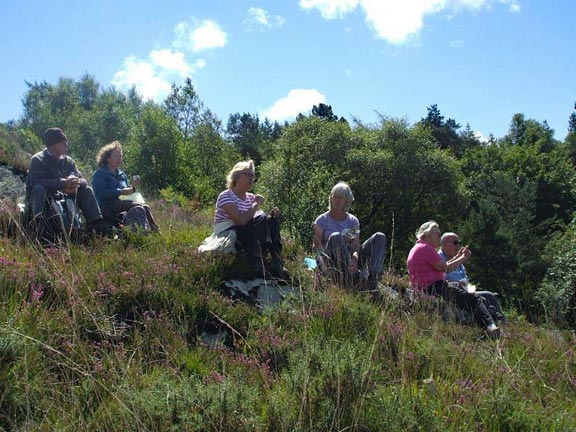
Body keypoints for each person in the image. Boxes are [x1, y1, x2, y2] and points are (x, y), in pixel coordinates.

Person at [406, 221, 499, 335]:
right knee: (473, 298)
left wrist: (459, 257)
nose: (440, 237)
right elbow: (444, 268)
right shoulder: (426, 248)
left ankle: (491, 323)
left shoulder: (420, 247)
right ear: (428, 234)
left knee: (475, 295)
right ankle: (490, 326)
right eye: (438, 234)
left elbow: (443, 265)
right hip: (434, 287)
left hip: (429, 287)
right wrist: (463, 258)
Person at [26, 127, 105, 237]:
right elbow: (36, 181)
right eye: (63, 142)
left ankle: (96, 227)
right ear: (53, 145)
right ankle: (39, 225)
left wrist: (75, 181)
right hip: (45, 198)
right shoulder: (38, 159)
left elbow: (83, 180)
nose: (66, 144)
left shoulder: (68, 161)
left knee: (86, 190)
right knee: (39, 188)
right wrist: (63, 183)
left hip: (66, 195)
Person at [213, 159, 286, 278]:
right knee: (263, 217)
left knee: (271, 220)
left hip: (247, 234)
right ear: (237, 176)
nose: (252, 179)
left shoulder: (251, 197)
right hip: (231, 234)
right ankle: (256, 260)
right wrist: (256, 205)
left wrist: (271, 216)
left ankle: (277, 261)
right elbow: (240, 220)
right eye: (248, 175)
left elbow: (259, 220)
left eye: (253, 176)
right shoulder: (225, 196)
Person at [313, 182, 387, 291]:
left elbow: (355, 246)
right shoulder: (322, 220)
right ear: (331, 198)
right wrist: (324, 267)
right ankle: (348, 278)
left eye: (340, 198)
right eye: (335, 197)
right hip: (331, 260)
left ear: (346, 200)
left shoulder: (352, 221)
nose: (337, 200)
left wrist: (355, 259)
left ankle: (373, 278)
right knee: (336, 236)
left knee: (379, 237)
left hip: (350, 258)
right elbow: (317, 247)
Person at [92, 141, 159, 232]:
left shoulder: (122, 175)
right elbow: (100, 194)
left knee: (145, 207)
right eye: (116, 156)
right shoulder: (100, 174)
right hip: (107, 207)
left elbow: (126, 193)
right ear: (107, 158)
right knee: (138, 206)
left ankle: (153, 232)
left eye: (121, 156)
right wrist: (120, 191)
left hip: (122, 204)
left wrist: (132, 187)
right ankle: (150, 233)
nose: (119, 159)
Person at [439, 232, 505, 323]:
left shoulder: (457, 260)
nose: (458, 245)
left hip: (465, 290)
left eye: (459, 243)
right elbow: (441, 278)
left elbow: (465, 279)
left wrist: (469, 288)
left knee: (490, 295)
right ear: (444, 244)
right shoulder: (439, 259)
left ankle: (500, 321)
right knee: (487, 295)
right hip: (453, 293)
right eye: (455, 243)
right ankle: (495, 322)